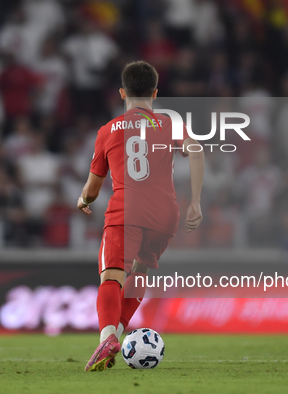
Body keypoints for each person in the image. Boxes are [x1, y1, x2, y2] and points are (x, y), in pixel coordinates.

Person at [77, 61, 204, 371]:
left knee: (112, 276)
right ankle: (118, 333)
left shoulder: (108, 130)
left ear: (122, 93)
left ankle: (107, 335)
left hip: (126, 210)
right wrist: (196, 203)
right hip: (166, 214)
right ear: (155, 93)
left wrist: (82, 199)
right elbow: (197, 150)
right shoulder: (169, 123)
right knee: (141, 270)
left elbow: (93, 189)